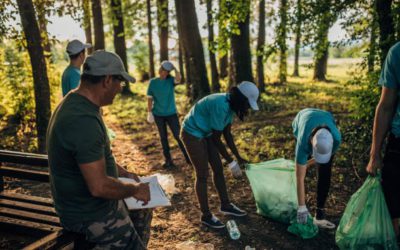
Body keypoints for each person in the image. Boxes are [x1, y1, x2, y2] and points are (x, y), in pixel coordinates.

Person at [47, 50, 153, 249]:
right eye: (119, 82)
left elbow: (94, 156)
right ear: (106, 80)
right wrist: (135, 189)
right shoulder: (82, 120)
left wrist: (123, 173)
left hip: (85, 204)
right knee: (138, 211)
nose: (120, 88)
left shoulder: (77, 101)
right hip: (87, 214)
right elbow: (99, 187)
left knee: (143, 209)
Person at [180, 81, 259, 228]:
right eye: (248, 104)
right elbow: (217, 138)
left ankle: (225, 205)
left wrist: (238, 157)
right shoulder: (221, 105)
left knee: (218, 169)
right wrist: (231, 161)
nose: (248, 107)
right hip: (192, 132)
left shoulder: (230, 106)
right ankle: (206, 216)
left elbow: (227, 134)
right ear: (241, 99)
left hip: (207, 132)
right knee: (202, 174)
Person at [366, 42, 400, 239]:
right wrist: (374, 154)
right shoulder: (397, 53)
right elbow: (386, 106)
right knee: (394, 212)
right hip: (398, 144)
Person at [292, 108, 341, 229]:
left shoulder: (336, 139)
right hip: (303, 116)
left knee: (325, 171)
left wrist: (306, 164)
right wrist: (301, 208)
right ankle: (301, 203)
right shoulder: (303, 140)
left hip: (326, 116)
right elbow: (299, 178)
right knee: (300, 173)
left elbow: (323, 158)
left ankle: (319, 212)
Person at [146, 60, 191, 168]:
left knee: (179, 136)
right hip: (158, 114)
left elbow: (179, 78)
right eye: (164, 71)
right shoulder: (153, 82)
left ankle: (189, 158)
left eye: (167, 72)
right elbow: (149, 99)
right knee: (163, 137)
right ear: (160, 70)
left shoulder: (171, 80)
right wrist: (149, 112)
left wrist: (175, 68)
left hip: (171, 114)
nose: (165, 73)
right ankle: (168, 161)